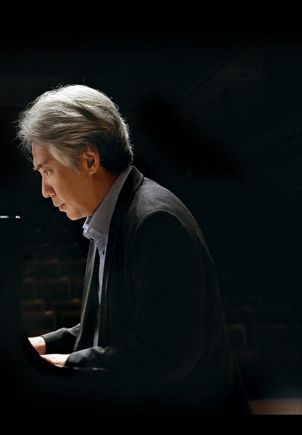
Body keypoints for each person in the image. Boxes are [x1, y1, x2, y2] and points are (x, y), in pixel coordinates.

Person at [16, 84, 251, 415]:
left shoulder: (155, 222)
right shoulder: (112, 216)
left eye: (47, 170)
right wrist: (41, 346)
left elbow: (166, 354)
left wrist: (65, 363)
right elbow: (109, 327)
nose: (45, 190)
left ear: (89, 160)